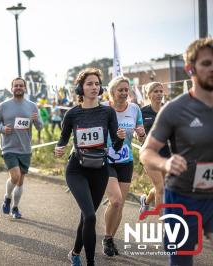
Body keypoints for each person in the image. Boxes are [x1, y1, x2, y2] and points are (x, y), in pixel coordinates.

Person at [140, 37, 213, 266]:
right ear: (189, 68)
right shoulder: (175, 109)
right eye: (206, 63)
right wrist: (165, 164)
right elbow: (147, 152)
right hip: (182, 197)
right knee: (181, 261)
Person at [55, 68, 125, 266]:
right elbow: (62, 140)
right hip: (77, 169)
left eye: (97, 84)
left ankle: (75, 253)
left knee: (87, 218)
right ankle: (91, 262)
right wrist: (59, 149)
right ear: (80, 88)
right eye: (89, 84)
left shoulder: (108, 111)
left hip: (100, 169)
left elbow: (116, 145)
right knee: (90, 216)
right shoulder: (72, 114)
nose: (94, 87)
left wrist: (119, 139)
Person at [102, 76, 146, 257]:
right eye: (120, 90)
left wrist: (141, 134)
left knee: (119, 206)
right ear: (112, 92)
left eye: (126, 90)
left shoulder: (135, 109)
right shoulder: (103, 109)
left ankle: (109, 238)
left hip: (125, 160)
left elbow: (140, 136)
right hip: (105, 160)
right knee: (116, 200)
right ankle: (106, 236)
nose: (124, 93)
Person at [0, 77, 43, 219]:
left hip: (25, 148)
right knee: (15, 176)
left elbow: (40, 126)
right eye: (16, 86)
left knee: (20, 181)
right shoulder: (4, 105)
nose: (18, 87)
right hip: (9, 147)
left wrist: (36, 119)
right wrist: (2, 129)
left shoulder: (32, 106)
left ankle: (15, 208)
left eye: (21, 85)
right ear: (12, 88)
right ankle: (7, 197)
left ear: (25, 88)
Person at [139, 82, 170, 213]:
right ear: (149, 94)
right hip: (150, 155)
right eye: (155, 91)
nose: (159, 94)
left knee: (163, 187)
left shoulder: (168, 110)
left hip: (168, 154)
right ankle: (164, 226)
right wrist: (140, 136)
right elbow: (139, 135)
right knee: (161, 188)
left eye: (160, 91)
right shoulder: (142, 112)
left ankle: (145, 201)